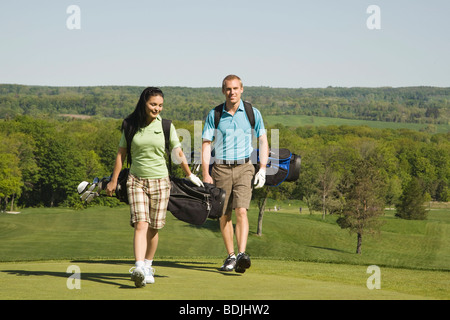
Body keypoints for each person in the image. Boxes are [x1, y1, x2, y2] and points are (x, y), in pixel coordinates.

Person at [106, 87, 203, 288]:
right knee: (141, 223)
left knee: (154, 227)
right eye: (153, 104)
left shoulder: (166, 126)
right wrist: (114, 180)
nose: (156, 108)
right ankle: (139, 267)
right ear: (144, 103)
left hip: (161, 182)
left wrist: (189, 174)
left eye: (160, 105)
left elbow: (177, 152)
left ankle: (148, 265)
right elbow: (121, 155)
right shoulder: (129, 125)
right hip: (136, 181)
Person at [201, 75, 268, 273]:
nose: (232, 92)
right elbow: (206, 144)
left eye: (236, 88)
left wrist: (262, 168)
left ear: (242, 89)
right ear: (223, 91)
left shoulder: (251, 112)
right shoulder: (215, 114)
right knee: (224, 214)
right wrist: (206, 172)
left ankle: (241, 254)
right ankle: (230, 256)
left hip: (244, 167)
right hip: (220, 168)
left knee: (242, 210)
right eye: (228, 89)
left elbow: (263, 140)